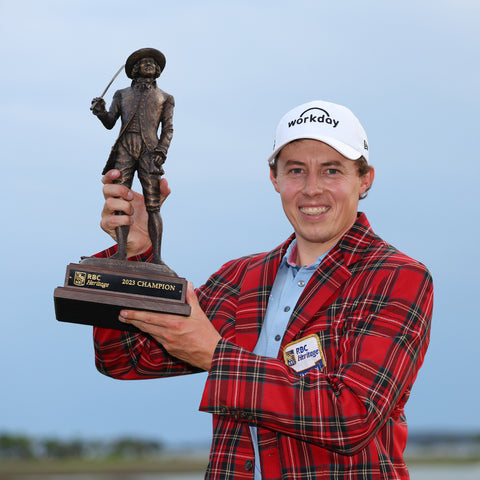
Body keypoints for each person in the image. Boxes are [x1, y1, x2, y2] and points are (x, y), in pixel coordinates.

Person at [93, 100, 433, 480]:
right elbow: (126, 358)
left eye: (332, 170)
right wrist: (134, 256)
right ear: (275, 178)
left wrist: (215, 356)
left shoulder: (397, 277)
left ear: (365, 178)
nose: (311, 189)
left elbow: (351, 416)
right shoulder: (240, 278)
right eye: (296, 170)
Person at [91, 47, 174, 264]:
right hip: (125, 148)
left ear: (157, 72)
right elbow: (110, 122)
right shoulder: (121, 94)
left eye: (153, 64)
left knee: (152, 204)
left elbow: (168, 129)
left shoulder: (165, 98)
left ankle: (157, 258)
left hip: (150, 151)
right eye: (144, 62)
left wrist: (162, 151)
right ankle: (121, 252)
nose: (149, 65)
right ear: (134, 70)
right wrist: (100, 112)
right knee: (120, 199)